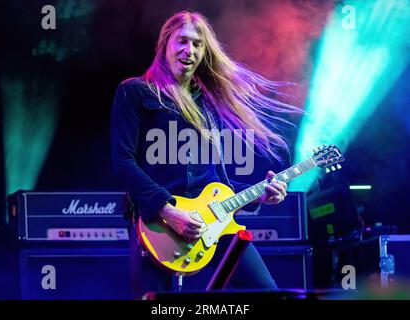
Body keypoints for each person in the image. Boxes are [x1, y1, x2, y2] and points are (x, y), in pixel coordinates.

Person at [111, 11, 301, 299]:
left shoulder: (208, 105)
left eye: (198, 44)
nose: (190, 50)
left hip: (215, 220)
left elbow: (214, 181)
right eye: (182, 41)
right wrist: (168, 211)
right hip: (156, 224)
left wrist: (260, 195)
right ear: (165, 44)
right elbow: (123, 162)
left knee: (269, 294)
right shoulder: (135, 92)